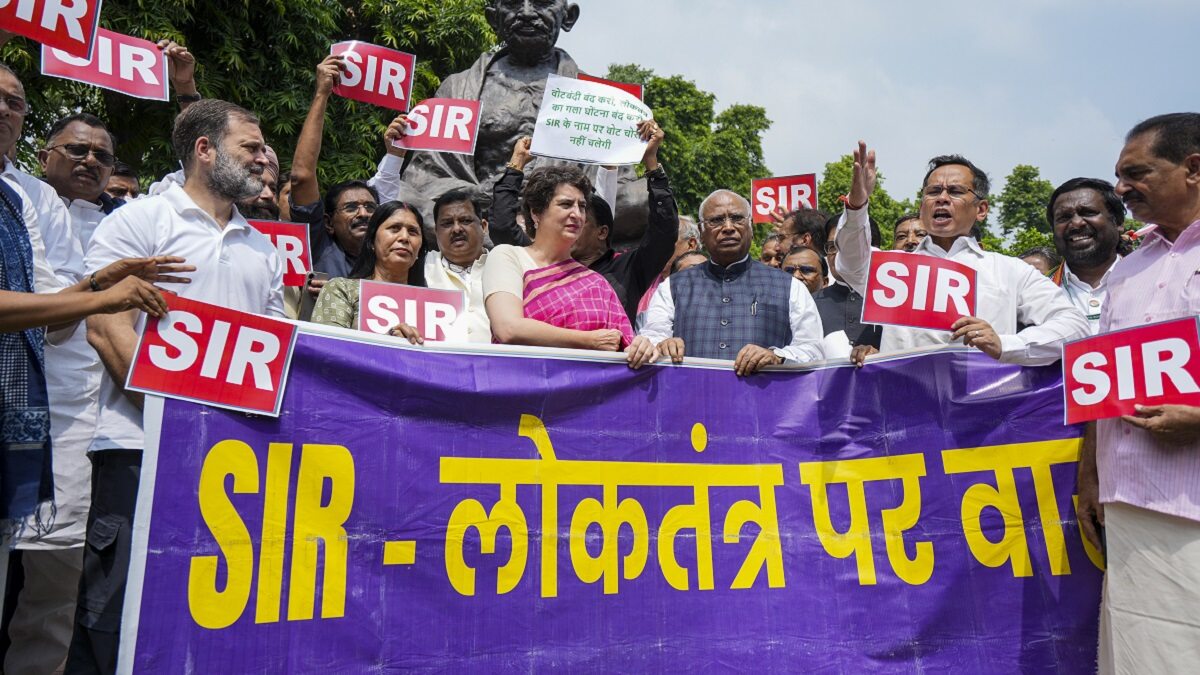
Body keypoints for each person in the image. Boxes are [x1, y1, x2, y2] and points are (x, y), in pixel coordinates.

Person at [73, 98, 284, 673]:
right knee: (113, 615)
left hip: (229, 464)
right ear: (205, 149)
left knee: (199, 616)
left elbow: (274, 353)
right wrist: (177, 419)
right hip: (138, 449)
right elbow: (105, 327)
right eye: (250, 147)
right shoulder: (139, 221)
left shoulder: (263, 249)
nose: (263, 159)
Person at [1074, 113, 1200, 674]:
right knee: (1139, 654)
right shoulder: (1125, 272)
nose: (1121, 188)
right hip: (1126, 501)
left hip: (1191, 501)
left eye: (1137, 173)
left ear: (1193, 168)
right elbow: (1098, 385)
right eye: (1120, 175)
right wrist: (1089, 476)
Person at [397, 0, 648, 240]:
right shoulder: (458, 88)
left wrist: (649, 152)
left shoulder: (598, 96)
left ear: (568, 17)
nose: (527, 12)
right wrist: (484, 195)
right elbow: (424, 176)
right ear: (493, 18)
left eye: (542, 2)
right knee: (392, 194)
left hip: (570, 215)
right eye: (513, 2)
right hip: (480, 215)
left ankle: (552, 234)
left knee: (644, 197)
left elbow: (616, 183)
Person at [834, 142, 1088, 364]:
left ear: (981, 209)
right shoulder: (892, 269)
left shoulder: (1009, 271)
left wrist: (1005, 345)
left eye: (955, 191)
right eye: (933, 192)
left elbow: (1074, 326)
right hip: (906, 401)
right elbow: (851, 262)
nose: (942, 198)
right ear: (922, 206)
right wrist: (857, 206)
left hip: (986, 401)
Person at [490, 121, 678, 322]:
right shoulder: (537, 261)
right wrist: (516, 165)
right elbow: (502, 227)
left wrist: (651, 161)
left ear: (602, 232)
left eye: (582, 212)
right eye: (566, 207)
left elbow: (664, 232)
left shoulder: (629, 269)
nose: (574, 217)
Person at [483, 165, 655, 367]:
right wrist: (588, 341)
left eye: (581, 206)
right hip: (524, 379)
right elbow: (508, 329)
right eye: (566, 204)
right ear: (536, 213)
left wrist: (642, 347)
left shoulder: (596, 283)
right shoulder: (508, 257)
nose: (577, 214)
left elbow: (623, 343)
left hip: (588, 384)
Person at [639, 189, 825, 375]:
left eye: (737, 218)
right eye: (716, 220)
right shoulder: (673, 287)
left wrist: (777, 356)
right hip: (692, 392)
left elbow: (813, 351)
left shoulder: (789, 286)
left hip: (764, 393)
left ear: (751, 228)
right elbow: (651, 338)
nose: (728, 227)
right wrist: (662, 345)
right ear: (702, 232)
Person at [310, 201, 427, 345]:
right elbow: (326, 349)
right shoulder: (342, 289)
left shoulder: (437, 305)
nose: (404, 237)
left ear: (420, 249)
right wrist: (388, 342)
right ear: (372, 241)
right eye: (394, 229)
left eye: (413, 231)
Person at [1046, 178, 1124, 334]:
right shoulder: (1038, 292)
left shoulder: (1152, 279)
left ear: (1118, 222)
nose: (1076, 223)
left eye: (1088, 213)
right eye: (1064, 217)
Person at [37, 113, 123, 248]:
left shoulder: (128, 221)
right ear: (44, 160)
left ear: (111, 172)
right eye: (77, 150)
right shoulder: (18, 203)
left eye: (103, 157)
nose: (91, 161)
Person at [423, 190, 492, 342]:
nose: (456, 229)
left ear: (484, 226)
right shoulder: (422, 266)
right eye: (447, 223)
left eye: (465, 221)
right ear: (436, 232)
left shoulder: (505, 265)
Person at [815, 223, 882, 363]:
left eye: (848, 246)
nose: (838, 254)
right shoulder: (810, 302)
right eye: (832, 247)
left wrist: (881, 355)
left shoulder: (892, 301)